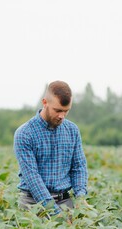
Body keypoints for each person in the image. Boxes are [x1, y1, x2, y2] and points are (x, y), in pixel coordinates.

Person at [13, 80, 88, 216]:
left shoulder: (72, 130)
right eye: (58, 110)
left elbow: (79, 167)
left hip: (65, 201)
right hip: (32, 204)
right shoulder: (25, 133)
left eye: (66, 111)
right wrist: (54, 211)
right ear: (45, 102)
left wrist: (81, 198)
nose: (62, 116)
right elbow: (32, 176)